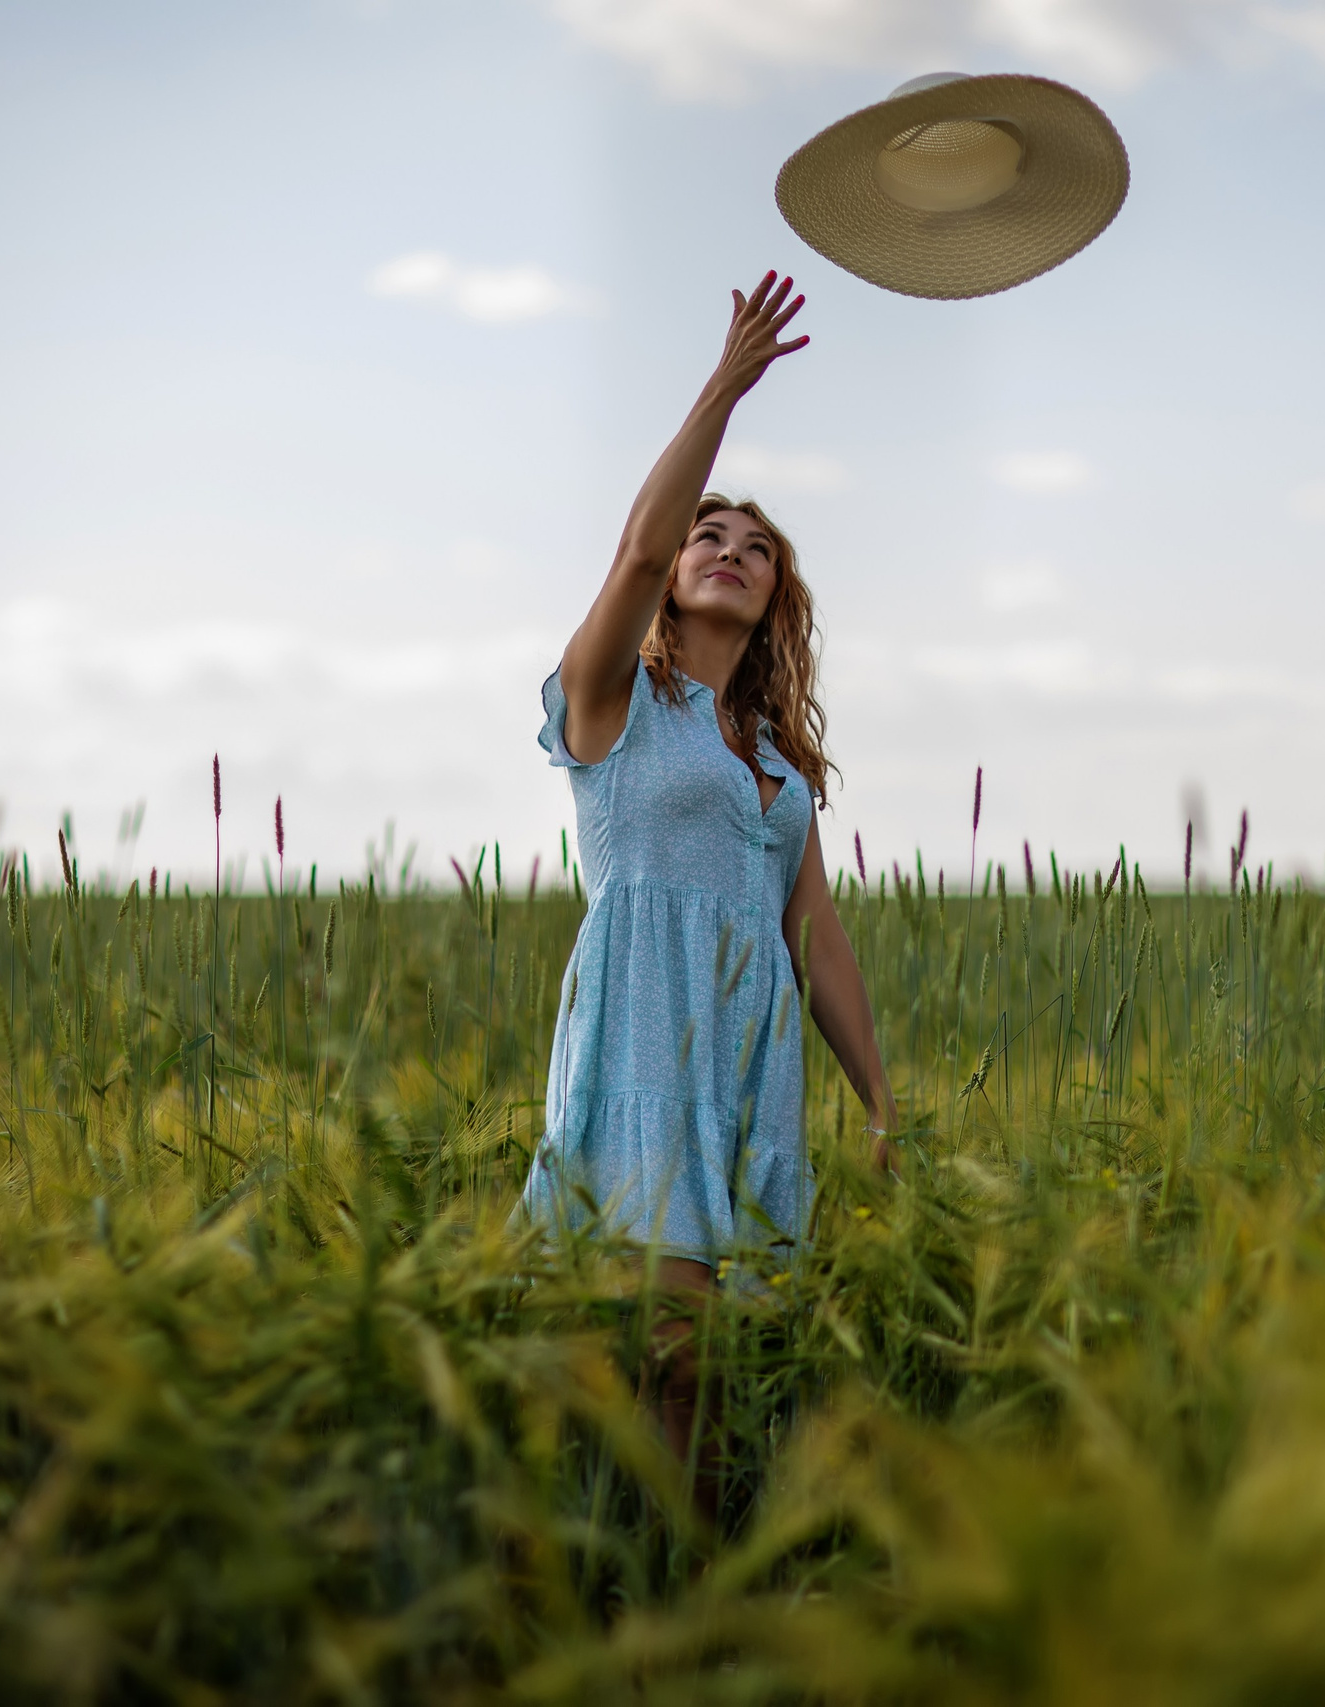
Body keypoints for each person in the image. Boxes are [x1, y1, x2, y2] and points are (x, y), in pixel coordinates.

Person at [522, 270, 896, 1511]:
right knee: (661, 1351)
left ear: (775, 599)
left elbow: (817, 934)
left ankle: (669, 1592)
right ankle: (633, 1597)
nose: (726, 553)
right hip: (644, 1035)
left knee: (712, 1369)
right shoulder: (613, 703)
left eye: (755, 551)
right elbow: (635, 545)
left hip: (749, 1058)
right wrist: (725, 388)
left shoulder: (781, 768)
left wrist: (881, 1103)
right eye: (709, 539)